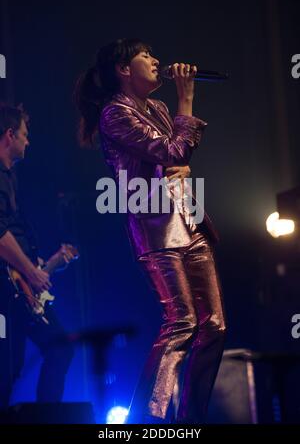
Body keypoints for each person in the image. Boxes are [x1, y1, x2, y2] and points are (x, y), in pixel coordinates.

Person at [75, 38, 226, 424]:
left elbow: (178, 156)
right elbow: (173, 153)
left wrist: (182, 163)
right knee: (182, 322)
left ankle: (191, 419)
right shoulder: (114, 114)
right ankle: (148, 418)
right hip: (155, 226)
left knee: (213, 325)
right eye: (147, 56)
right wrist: (187, 99)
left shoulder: (157, 108)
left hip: (189, 221)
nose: (158, 60)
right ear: (125, 69)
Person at [0, 104, 75, 410]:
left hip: (15, 284)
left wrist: (48, 264)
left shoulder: (10, 178)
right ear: (9, 135)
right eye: (24, 135)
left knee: (12, 365)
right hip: (9, 286)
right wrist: (30, 272)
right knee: (56, 347)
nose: (28, 142)